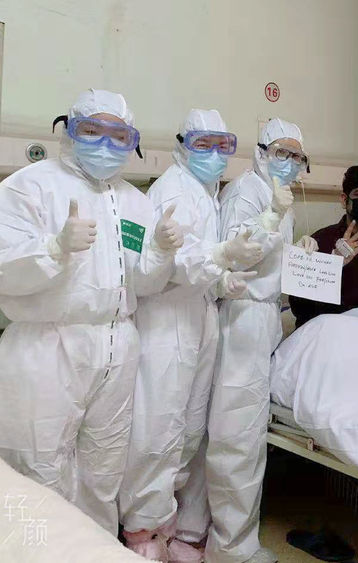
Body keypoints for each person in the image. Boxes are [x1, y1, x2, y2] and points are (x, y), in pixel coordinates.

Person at [0, 89, 179, 535]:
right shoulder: (30, 186)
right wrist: (53, 248)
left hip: (117, 344)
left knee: (104, 467)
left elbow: (144, 283)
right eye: (92, 130)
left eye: (119, 136)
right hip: (47, 344)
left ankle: (93, 548)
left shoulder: (135, 201)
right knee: (39, 467)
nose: (105, 144)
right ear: (68, 130)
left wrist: (160, 252)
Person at [119, 110, 262, 561]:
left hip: (197, 315)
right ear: (182, 145)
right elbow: (170, 260)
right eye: (203, 144)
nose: (215, 154)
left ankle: (166, 526)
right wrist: (221, 256)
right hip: (167, 319)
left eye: (223, 145)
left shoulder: (207, 191)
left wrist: (221, 281)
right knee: (157, 427)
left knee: (187, 427)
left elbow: (199, 264)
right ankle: (141, 533)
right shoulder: (174, 190)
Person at [206, 118, 314, 563]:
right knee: (239, 435)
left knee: (244, 432)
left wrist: (297, 254)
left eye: (296, 155)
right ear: (261, 151)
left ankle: (217, 537)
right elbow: (237, 252)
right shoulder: (248, 192)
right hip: (244, 313)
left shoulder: (276, 194)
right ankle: (232, 547)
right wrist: (272, 216)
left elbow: (269, 256)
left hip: (263, 314)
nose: (288, 162)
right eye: (280, 152)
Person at [289, 163, 358, 327]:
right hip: (333, 329)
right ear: (344, 200)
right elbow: (300, 308)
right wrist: (332, 264)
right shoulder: (320, 241)